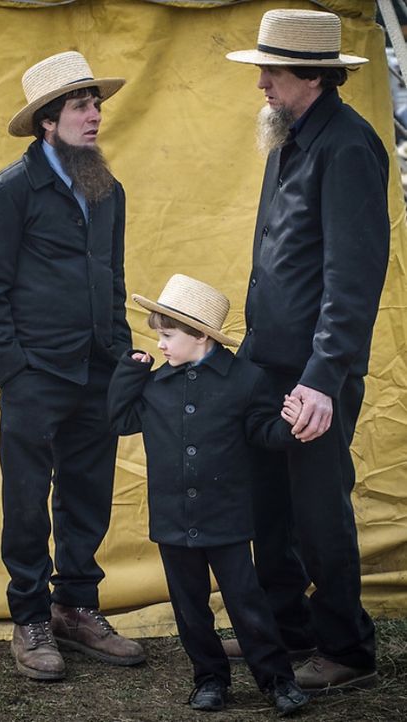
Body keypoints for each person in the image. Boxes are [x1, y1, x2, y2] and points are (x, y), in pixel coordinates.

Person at [0, 51, 145, 680]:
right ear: (47, 121)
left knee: (88, 495)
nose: (95, 116)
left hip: (96, 371)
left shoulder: (107, 189)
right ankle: (31, 617)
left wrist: (120, 356)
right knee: (26, 500)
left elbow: (112, 280)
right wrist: (12, 371)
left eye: (96, 104)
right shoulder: (8, 190)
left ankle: (76, 607)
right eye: (80, 107)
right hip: (34, 375)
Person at [223, 9, 390, 694]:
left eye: (273, 70)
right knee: (269, 506)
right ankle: (285, 630)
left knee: (319, 507)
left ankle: (346, 648)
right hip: (267, 362)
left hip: (313, 373)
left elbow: (353, 278)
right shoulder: (289, 134)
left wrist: (322, 379)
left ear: (312, 76)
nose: (261, 82)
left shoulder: (349, 146)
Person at [107, 274, 310, 716]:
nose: (160, 345)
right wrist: (132, 368)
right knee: (190, 607)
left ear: (200, 335)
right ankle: (210, 680)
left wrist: (291, 426)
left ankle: (277, 681)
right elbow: (119, 420)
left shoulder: (246, 379)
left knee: (247, 603)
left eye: (167, 335)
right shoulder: (156, 384)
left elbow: (262, 431)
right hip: (173, 518)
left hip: (228, 516)